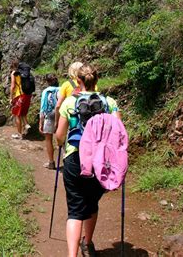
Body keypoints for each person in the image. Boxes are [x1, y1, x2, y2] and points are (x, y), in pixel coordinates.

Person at [55, 64, 120, 257]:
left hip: (75, 158)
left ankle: (72, 255)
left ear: (78, 81)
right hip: (101, 161)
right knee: (92, 203)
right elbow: (118, 132)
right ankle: (88, 243)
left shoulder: (69, 102)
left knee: (75, 209)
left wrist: (62, 143)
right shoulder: (109, 102)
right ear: (97, 80)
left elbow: (59, 136)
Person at [54, 61, 83, 131]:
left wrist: (56, 122)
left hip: (71, 118)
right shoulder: (91, 84)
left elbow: (58, 106)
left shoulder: (66, 84)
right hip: (86, 117)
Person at [39, 74, 59, 169]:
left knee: (48, 139)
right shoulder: (62, 89)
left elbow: (43, 108)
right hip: (61, 115)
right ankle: (66, 161)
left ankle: (51, 162)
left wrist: (40, 122)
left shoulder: (46, 91)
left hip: (49, 116)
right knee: (63, 140)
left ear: (47, 82)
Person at [10, 60, 32, 139]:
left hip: (19, 95)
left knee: (17, 115)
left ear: (13, 67)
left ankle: (19, 134)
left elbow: (12, 86)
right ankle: (26, 126)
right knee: (23, 113)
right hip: (28, 95)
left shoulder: (14, 73)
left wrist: (11, 97)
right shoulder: (25, 73)